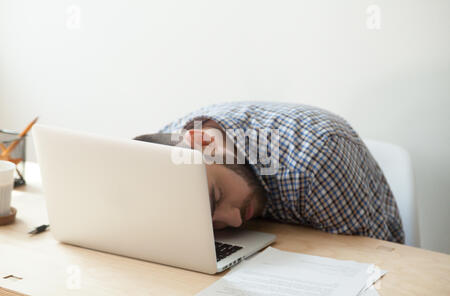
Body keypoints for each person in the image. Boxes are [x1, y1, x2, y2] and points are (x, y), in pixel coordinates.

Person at [134, 101, 405, 243]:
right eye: (210, 220)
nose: (235, 222)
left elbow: (374, 265)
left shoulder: (314, 163)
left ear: (205, 142)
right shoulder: (173, 144)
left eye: (217, 197)